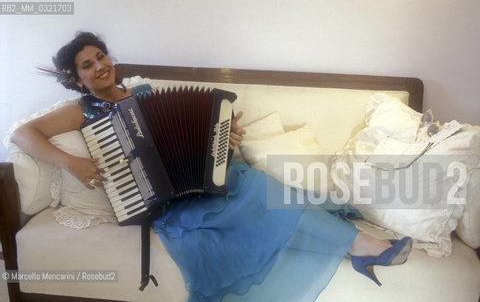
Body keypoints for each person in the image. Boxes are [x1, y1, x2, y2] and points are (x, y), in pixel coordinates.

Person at [11, 31, 413, 302]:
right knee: (262, 199)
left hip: (216, 180)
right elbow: (23, 135)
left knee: (260, 189)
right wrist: (73, 163)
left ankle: (356, 245)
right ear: (77, 79)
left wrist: (225, 139)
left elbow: (202, 146)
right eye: (87, 65)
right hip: (167, 203)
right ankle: (359, 246)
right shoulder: (80, 111)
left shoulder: (146, 92)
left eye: (101, 56)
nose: (100, 66)